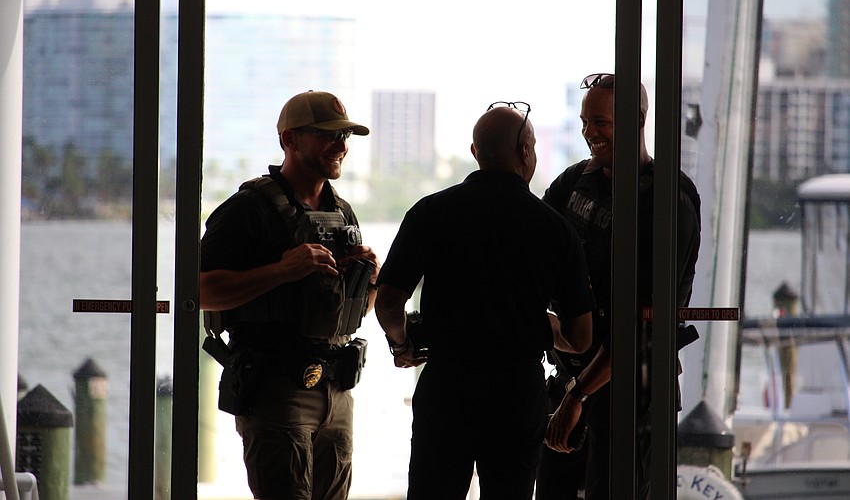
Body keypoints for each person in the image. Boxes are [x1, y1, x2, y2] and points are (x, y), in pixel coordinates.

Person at [374, 101, 596, 500]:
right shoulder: (556, 229)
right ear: (526, 152)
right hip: (517, 392)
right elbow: (581, 337)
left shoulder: (431, 212)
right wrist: (549, 329)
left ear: (476, 153)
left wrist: (403, 342)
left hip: (447, 387)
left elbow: (388, 301)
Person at [199, 90, 381, 500]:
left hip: (337, 392)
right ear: (290, 140)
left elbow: (352, 315)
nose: (341, 146)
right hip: (276, 391)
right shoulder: (248, 209)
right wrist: (283, 270)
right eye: (328, 135)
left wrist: (367, 282)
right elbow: (201, 290)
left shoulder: (342, 212)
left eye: (345, 137)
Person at [540, 73, 701, 500]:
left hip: (633, 395)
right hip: (572, 384)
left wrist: (578, 394)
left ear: (638, 121)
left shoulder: (669, 199)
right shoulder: (573, 183)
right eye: (585, 121)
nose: (589, 132)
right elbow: (529, 256)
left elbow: (641, 328)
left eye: (601, 123)